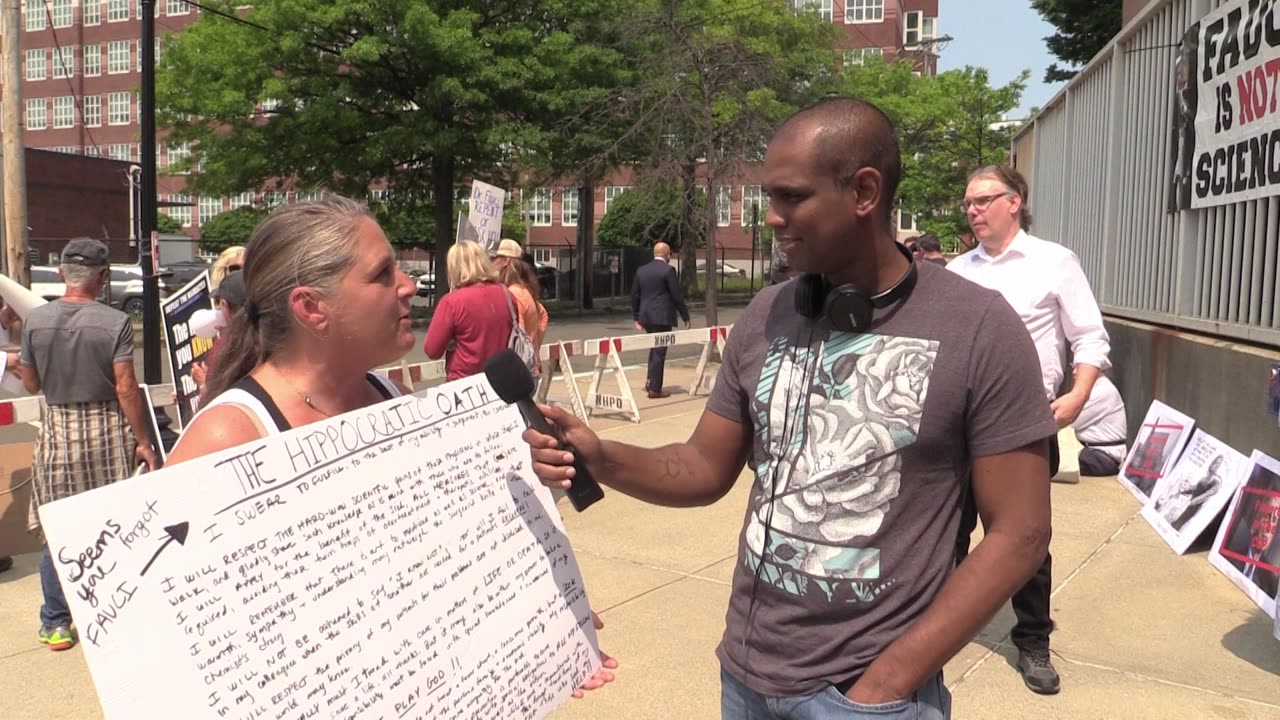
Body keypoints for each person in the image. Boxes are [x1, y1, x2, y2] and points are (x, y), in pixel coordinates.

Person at [522, 97, 1056, 719]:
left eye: (792, 197)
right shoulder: (768, 313)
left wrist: (887, 681)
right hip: (746, 678)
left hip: (866, 698)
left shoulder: (981, 328)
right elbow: (702, 466)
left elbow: (1021, 533)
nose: (772, 218)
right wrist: (602, 454)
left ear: (864, 192)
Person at [167, 198, 617, 696]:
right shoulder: (227, 436)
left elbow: (436, 557)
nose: (407, 285)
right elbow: (181, 648)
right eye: (383, 274)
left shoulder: (389, 398)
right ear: (311, 308)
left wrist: (536, 610)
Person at [948, 164, 1111, 695]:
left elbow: (1090, 338)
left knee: (1024, 537)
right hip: (959, 422)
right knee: (948, 530)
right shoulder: (957, 270)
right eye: (968, 203)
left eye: (983, 200)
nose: (972, 211)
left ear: (1014, 201)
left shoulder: (1055, 261)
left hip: (1023, 419)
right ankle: (932, 624)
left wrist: (1078, 396)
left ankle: (1033, 639)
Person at [20, 238, 160, 652]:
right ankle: (112, 612)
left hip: (59, 430)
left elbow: (31, 382)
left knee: (57, 528)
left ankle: (57, 622)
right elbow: (126, 387)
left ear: (62, 273)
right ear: (103, 278)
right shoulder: (114, 323)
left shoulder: (35, 321)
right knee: (112, 525)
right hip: (107, 431)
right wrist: (144, 440)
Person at [423, 240, 515, 381]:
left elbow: (432, 350)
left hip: (465, 384)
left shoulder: (452, 302)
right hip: (501, 381)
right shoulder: (507, 295)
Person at [630, 241, 690, 399]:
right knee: (659, 351)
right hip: (661, 317)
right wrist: (685, 316)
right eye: (670, 254)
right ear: (667, 254)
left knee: (654, 348)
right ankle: (655, 388)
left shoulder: (642, 270)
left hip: (646, 317)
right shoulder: (668, 271)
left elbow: (634, 295)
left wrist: (637, 317)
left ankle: (650, 381)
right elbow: (676, 296)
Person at [191, 269, 247, 402]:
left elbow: (216, 403)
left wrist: (203, 384)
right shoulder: (273, 338)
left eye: (219, 303)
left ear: (224, 304)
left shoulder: (225, 347)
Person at [493, 238, 549, 370]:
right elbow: (543, 316)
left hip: (518, 373)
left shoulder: (512, 294)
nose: (491, 263)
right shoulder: (524, 290)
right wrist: (535, 347)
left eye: (495, 258)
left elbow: (518, 332)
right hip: (530, 368)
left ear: (506, 261)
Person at [1070, 374, 1127, 477]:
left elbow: (1069, 420)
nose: (1074, 372)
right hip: (1094, 453)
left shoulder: (1102, 391)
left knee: (1054, 462)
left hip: (1101, 457)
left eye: (1078, 367)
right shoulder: (1095, 389)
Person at [1154, 454, 1223, 531]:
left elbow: (1205, 495)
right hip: (1186, 503)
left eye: (1218, 464)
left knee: (1177, 524)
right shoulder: (1204, 478)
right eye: (1214, 462)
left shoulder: (1216, 482)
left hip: (1193, 507)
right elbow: (1195, 488)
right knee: (1170, 518)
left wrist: (1191, 502)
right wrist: (1182, 490)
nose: (1214, 465)